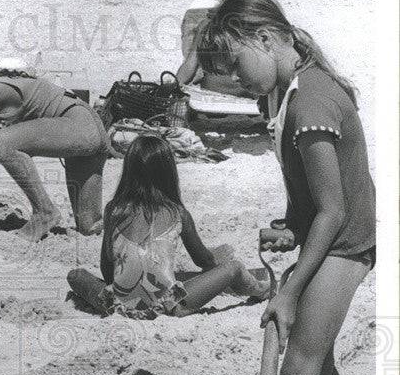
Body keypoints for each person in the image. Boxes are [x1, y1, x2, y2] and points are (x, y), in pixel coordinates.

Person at [197, 0, 376, 375]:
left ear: (266, 40)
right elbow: (314, 199)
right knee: (314, 359)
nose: (232, 80)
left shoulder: (310, 103)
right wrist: (291, 226)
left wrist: (292, 289)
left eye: (234, 65)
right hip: (331, 235)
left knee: (296, 370)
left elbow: (336, 209)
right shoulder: (287, 93)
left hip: (345, 244)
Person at [67, 134, 267, 318]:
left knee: (75, 275)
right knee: (233, 268)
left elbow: (107, 271)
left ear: (128, 170)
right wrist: (215, 268)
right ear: (168, 173)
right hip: (167, 306)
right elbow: (204, 260)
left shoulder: (114, 210)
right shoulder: (177, 213)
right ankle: (262, 290)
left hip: (118, 305)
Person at [0, 62, 108, 241]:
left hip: (78, 126)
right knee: (89, 227)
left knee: (2, 142)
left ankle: (45, 211)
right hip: (89, 129)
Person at [175, 0, 261, 96]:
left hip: (249, 97)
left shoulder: (259, 27)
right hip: (213, 97)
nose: (234, 3)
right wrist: (173, 87)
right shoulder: (207, 26)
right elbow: (190, 64)